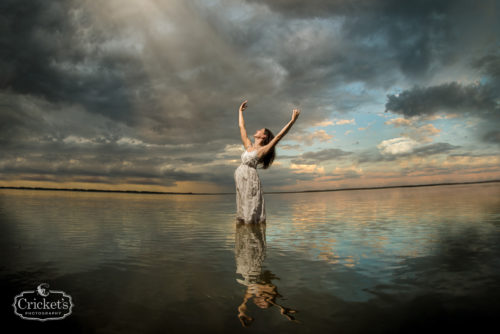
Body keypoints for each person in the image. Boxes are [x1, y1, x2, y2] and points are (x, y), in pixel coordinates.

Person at [234, 100, 301, 223]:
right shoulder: (248, 145)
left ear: (263, 136)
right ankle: (246, 236)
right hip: (240, 178)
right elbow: (241, 127)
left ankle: (252, 236)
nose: (257, 130)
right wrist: (240, 112)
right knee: (243, 207)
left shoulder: (263, 150)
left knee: (250, 207)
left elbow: (279, 136)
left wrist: (292, 121)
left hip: (250, 179)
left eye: (260, 130)